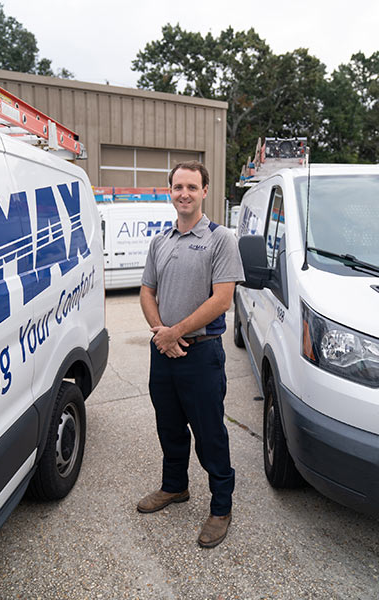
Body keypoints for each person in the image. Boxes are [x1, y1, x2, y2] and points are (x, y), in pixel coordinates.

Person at [138, 161, 244, 548]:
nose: (184, 193)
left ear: (204, 192)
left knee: (210, 433)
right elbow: (147, 291)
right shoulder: (159, 241)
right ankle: (174, 487)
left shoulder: (221, 239)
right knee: (168, 426)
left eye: (191, 187)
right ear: (170, 191)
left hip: (201, 354)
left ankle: (221, 507)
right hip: (163, 352)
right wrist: (160, 333)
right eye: (177, 186)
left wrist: (176, 332)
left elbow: (223, 299)